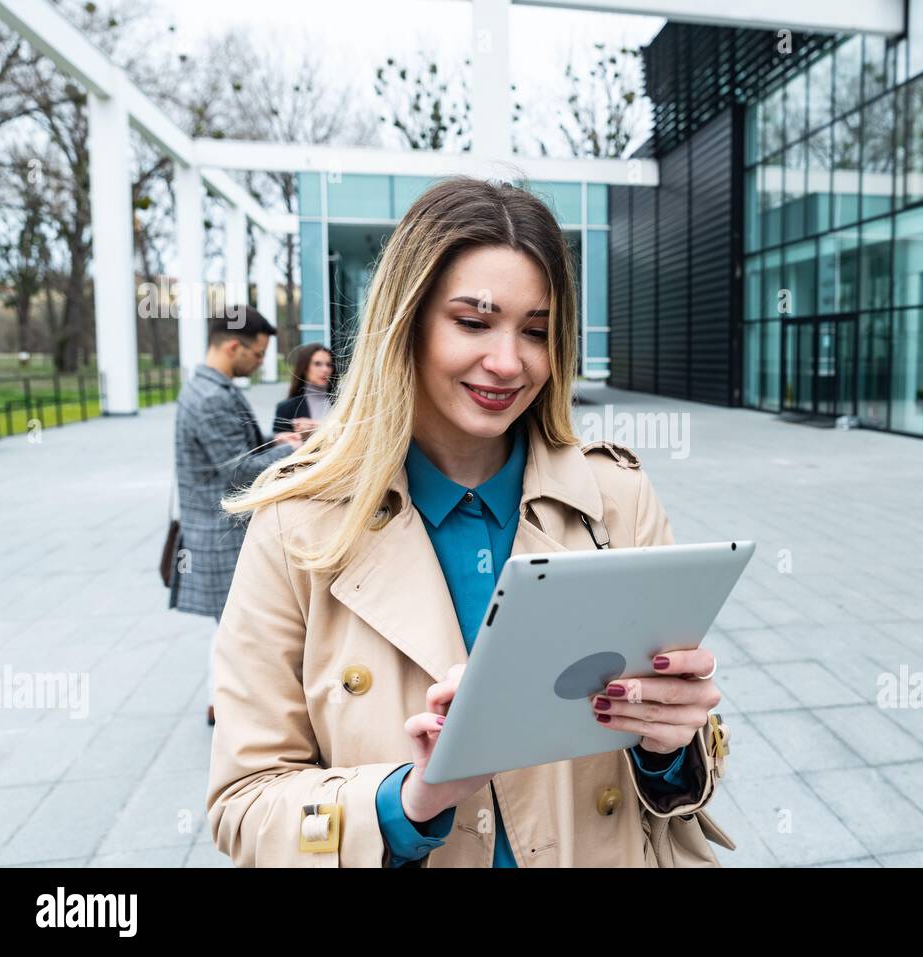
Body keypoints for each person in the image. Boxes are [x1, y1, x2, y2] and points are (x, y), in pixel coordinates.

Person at [206, 176, 728, 867]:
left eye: (536, 331)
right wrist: (408, 798)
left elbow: (688, 765)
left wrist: (672, 743)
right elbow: (243, 803)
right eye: (474, 322)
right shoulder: (296, 523)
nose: (509, 362)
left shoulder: (617, 497)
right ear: (408, 321)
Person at [169, 308, 301, 726]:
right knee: (234, 628)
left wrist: (274, 440)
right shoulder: (211, 397)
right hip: (221, 532)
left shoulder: (212, 387)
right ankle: (229, 709)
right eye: (258, 354)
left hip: (216, 527)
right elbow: (240, 470)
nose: (261, 362)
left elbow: (241, 447)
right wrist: (298, 448)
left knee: (230, 625)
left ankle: (224, 704)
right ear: (232, 346)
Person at [273, 342, 333, 439]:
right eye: (317, 364)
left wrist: (318, 428)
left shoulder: (344, 401)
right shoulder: (286, 408)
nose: (325, 369)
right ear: (304, 368)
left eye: (329, 365)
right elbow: (279, 447)